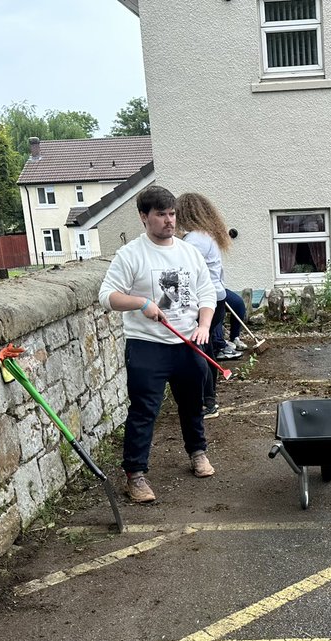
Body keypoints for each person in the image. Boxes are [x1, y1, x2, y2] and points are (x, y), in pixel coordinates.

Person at [98, 185, 218, 503]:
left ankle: (197, 454)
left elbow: (207, 293)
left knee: (193, 404)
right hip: (146, 344)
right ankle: (135, 475)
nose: (169, 221)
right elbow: (106, 296)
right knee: (144, 411)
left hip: (187, 343)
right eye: (161, 215)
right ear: (144, 217)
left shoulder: (188, 252)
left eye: (172, 214)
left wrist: (204, 326)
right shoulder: (131, 255)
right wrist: (140, 303)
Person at [175, 192, 247, 418]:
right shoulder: (207, 236)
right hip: (216, 299)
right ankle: (208, 400)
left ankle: (207, 403)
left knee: (198, 352)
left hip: (204, 302)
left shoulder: (195, 239)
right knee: (206, 350)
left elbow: (183, 273)